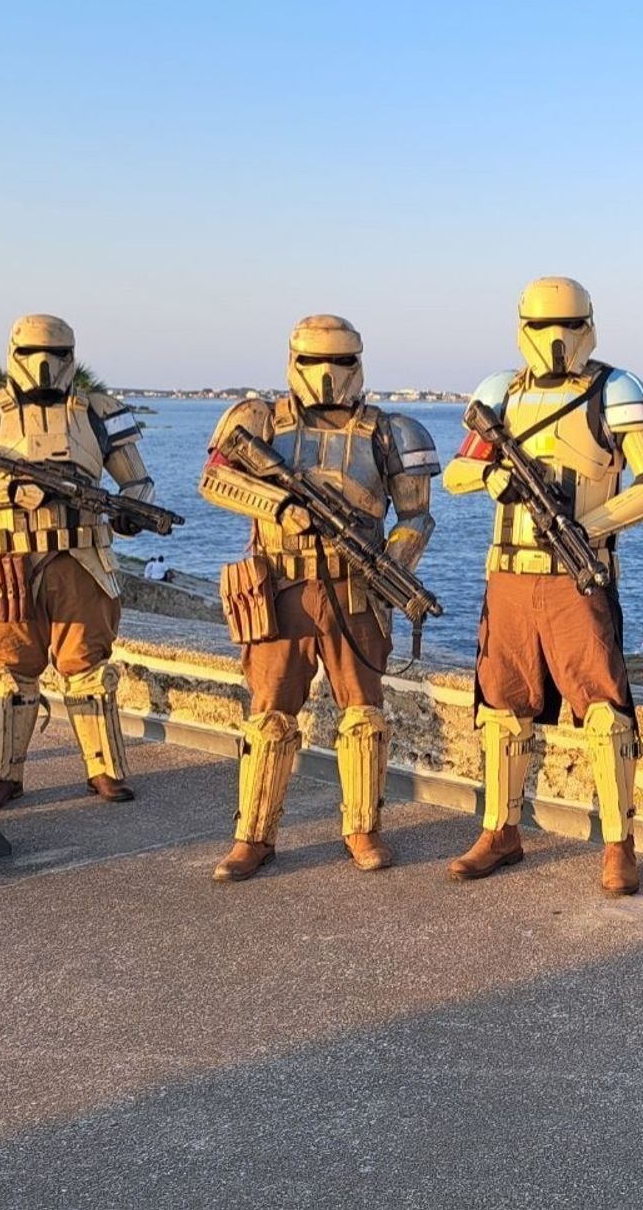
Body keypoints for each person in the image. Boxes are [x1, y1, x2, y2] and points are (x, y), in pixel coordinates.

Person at [441, 277, 643, 897]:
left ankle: (619, 844)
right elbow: (456, 473)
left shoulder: (618, 389)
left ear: (589, 324)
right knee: (502, 707)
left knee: (605, 712)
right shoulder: (500, 392)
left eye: (568, 325)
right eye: (544, 327)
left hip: (577, 571)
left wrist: (587, 527)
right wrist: (493, 476)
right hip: (510, 573)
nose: (557, 339)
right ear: (524, 328)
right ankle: (500, 828)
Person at [198, 315, 440, 881]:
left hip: (356, 591)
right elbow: (214, 480)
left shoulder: (389, 431)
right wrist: (279, 507)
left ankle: (362, 828)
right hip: (280, 584)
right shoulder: (258, 420)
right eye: (314, 362)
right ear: (293, 361)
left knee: (362, 717)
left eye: (341, 361)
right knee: (269, 718)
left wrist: (390, 570)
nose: (328, 375)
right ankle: (253, 835)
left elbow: (416, 516)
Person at [0, 314, 159, 808]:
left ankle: (104, 769)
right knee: (10, 671)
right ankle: (4, 773)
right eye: (35, 352)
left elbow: (136, 482)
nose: (46, 365)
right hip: (7, 561)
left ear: (71, 356)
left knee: (89, 669)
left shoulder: (98, 411)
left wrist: (131, 515)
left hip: (81, 558)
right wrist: (7, 488)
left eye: (57, 354)